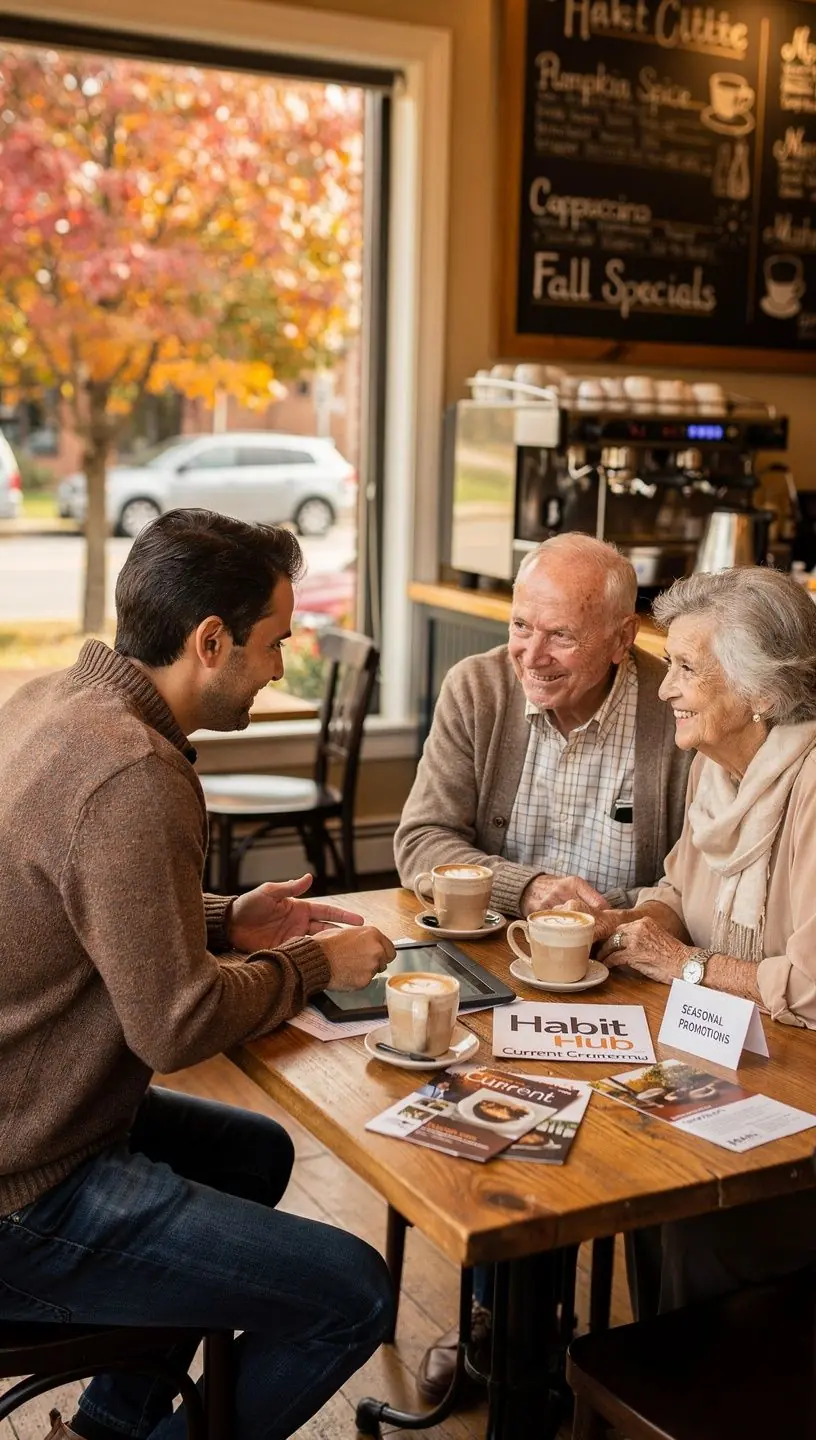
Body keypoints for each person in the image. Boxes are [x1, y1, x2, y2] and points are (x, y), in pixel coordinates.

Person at [0, 509, 396, 1440]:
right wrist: (311, 962)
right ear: (209, 640)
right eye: (272, 646)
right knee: (355, 1294)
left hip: (25, 1128)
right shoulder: (130, 769)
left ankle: (109, 1423)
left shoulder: (49, 700)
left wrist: (226, 917)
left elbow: (68, 898)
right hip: (23, 1192)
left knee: (253, 1155)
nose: (278, 670)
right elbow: (175, 1027)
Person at [394, 533, 692, 1405]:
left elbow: (696, 866)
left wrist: (628, 918)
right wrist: (529, 892)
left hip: (631, 973)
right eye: (522, 625)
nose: (529, 652)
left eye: (558, 635)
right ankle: (503, 1317)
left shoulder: (673, 707)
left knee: (633, 1140)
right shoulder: (480, 687)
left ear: (620, 637)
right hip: (494, 972)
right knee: (495, 1110)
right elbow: (421, 839)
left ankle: (634, 1352)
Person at [593, 566, 816, 1315]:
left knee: (691, 1213)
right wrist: (640, 925)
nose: (664, 690)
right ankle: (642, 1387)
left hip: (803, 1104)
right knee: (626, 1153)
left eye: (687, 668)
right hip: (744, 1059)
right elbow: (678, 889)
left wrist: (683, 965)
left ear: (765, 694)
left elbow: (812, 984)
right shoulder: (717, 773)